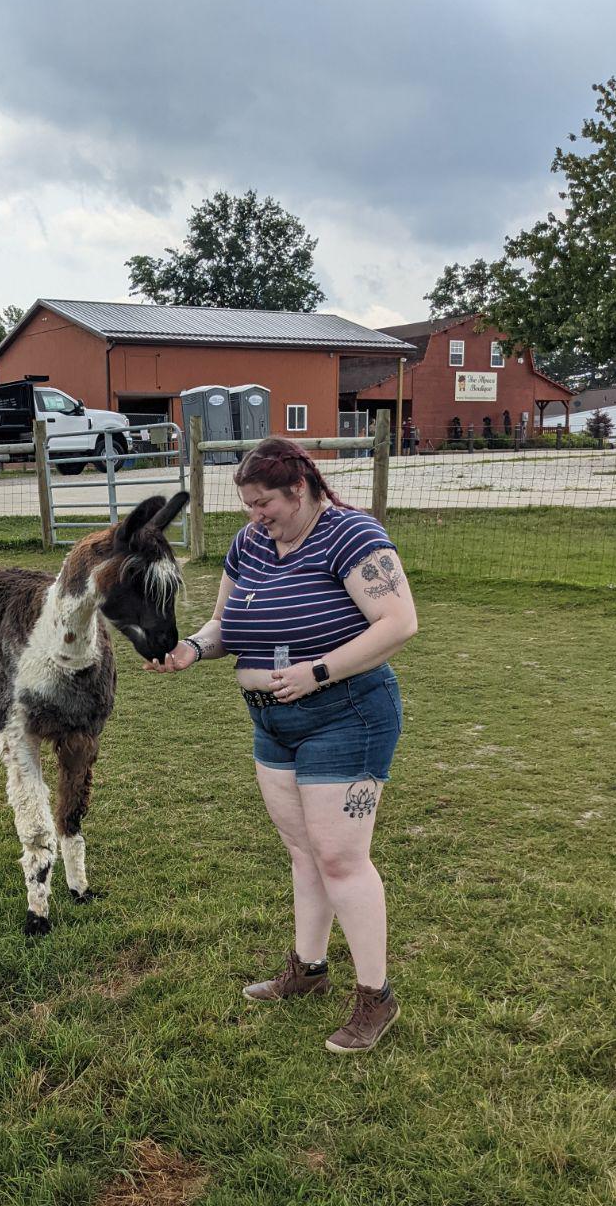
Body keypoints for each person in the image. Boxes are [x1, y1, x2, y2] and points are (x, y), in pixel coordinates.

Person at [143, 439, 418, 1054]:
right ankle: (309, 971)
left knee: (341, 858)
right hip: (271, 722)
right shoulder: (251, 545)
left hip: (346, 715)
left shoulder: (352, 535)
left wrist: (318, 672)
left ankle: (376, 997)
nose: (253, 516)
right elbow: (225, 624)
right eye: (245, 505)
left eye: (263, 503)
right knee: (302, 851)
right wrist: (191, 648)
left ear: (300, 489)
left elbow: (399, 623)